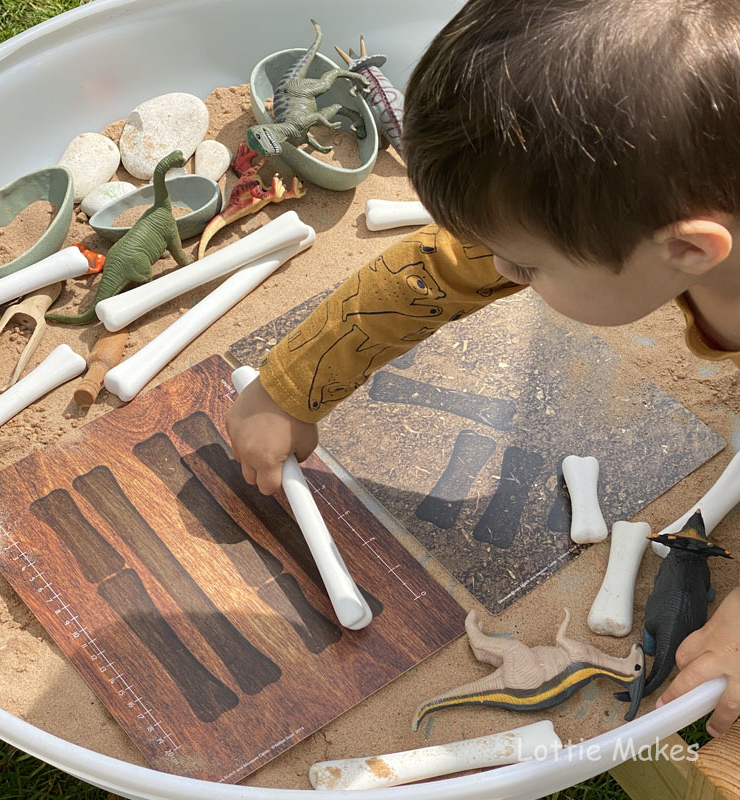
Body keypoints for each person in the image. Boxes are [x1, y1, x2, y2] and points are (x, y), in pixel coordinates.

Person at [228, 0, 740, 736]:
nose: (498, 269)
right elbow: (444, 265)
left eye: (527, 264)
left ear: (690, 251)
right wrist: (290, 385)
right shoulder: (655, 192)